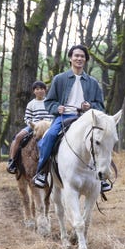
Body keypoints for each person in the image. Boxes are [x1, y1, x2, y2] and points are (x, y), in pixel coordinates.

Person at [32, 44, 111, 193]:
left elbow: (100, 106)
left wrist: (90, 106)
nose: (79, 58)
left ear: (85, 60)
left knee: (102, 139)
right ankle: (42, 172)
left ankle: (103, 178)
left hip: (86, 118)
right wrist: (57, 108)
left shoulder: (93, 82)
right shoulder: (59, 79)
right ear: (70, 58)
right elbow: (49, 102)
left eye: (82, 56)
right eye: (76, 56)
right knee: (49, 136)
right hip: (64, 117)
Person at [7, 80, 53, 174]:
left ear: (45, 90)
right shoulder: (31, 104)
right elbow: (27, 118)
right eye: (37, 89)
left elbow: (53, 115)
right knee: (18, 137)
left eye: (42, 89)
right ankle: (12, 161)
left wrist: (48, 123)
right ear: (34, 91)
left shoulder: (49, 102)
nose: (39, 91)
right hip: (34, 126)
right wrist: (32, 125)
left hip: (47, 126)